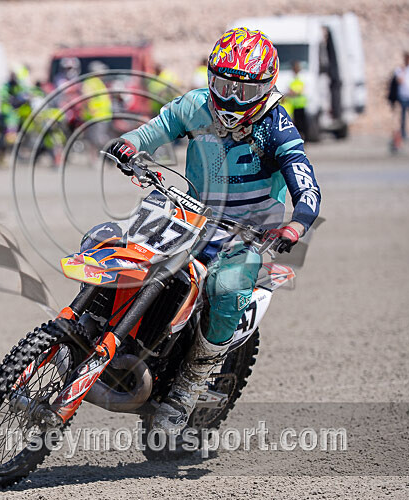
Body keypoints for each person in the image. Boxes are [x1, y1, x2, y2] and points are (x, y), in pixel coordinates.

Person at [106, 28, 321, 433]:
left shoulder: (277, 128)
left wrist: (297, 224)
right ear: (210, 79)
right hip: (187, 213)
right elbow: (156, 128)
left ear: (266, 88)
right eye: (224, 85)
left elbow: (306, 184)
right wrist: (131, 142)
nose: (232, 99)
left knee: (225, 290)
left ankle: (187, 389)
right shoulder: (196, 106)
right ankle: (89, 329)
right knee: (110, 240)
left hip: (248, 231)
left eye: (244, 91)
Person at [283, 60, 307, 138]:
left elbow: (298, 91)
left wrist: (292, 93)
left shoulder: (301, 79)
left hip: (301, 105)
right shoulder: (292, 80)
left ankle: (303, 137)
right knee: (296, 124)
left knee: (302, 124)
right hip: (294, 106)